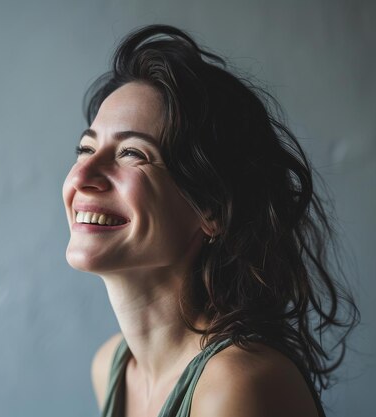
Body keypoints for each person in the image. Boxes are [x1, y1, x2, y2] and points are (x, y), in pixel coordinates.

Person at [62, 24, 358, 417]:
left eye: (133, 153)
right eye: (86, 148)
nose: (82, 176)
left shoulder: (237, 386)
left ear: (212, 210)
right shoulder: (111, 366)